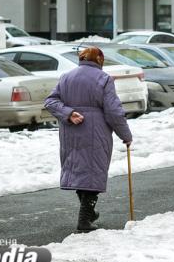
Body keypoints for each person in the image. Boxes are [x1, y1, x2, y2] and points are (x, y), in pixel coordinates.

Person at [45, 46, 132, 233]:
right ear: (99, 59)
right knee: (93, 173)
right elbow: (114, 112)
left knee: (80, 172)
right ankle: (84, 220)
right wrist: (126, 135)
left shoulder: (66, 77)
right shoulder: (104, 79)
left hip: (71, 132)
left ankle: (89, 213)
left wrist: (68, 113)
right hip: (96, 132)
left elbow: (50, 102)